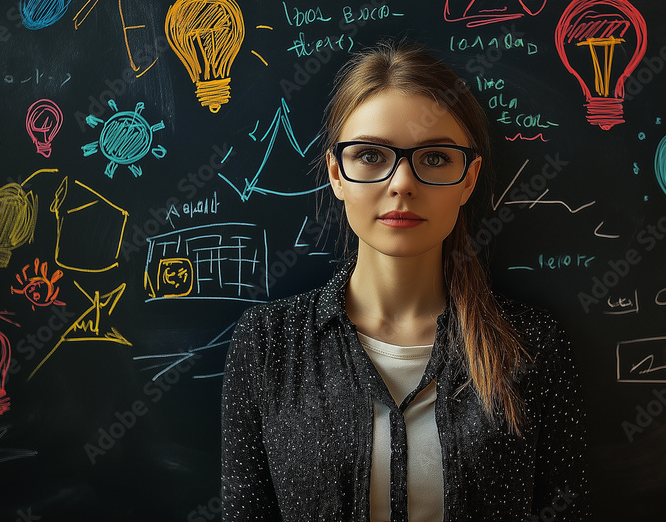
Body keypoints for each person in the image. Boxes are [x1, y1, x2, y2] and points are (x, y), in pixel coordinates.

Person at [221, 41, 588, 521]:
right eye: (371, 155)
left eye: (434, 158)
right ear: (337, 173)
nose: (401, 184)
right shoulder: (268, 343)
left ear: (468, 179)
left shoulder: (533, 347)